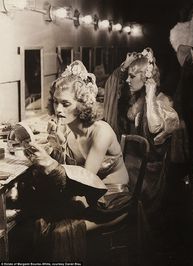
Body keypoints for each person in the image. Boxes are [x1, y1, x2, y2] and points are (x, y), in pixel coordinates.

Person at [21, 60, 129, 262]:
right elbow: (70, 175)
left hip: (111, 199)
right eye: (55, 101)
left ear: (82, 105)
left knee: (58, 230)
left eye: (65, 103)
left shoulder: (101, 132)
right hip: (89, 196)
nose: (58, 109)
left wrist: (50, 163)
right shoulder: (68, 132)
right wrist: (54, 149)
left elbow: (84, 182)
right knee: (38, 218)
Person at [104, 47, 180, 162]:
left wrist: (150, 93)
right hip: (129, 161)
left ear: (145, 77)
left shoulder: (163, 100)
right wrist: (124, 66)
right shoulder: (134, 99)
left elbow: (154, 128)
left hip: (149, 167)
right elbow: (112, 92)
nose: (127, 80)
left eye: (132, 76)